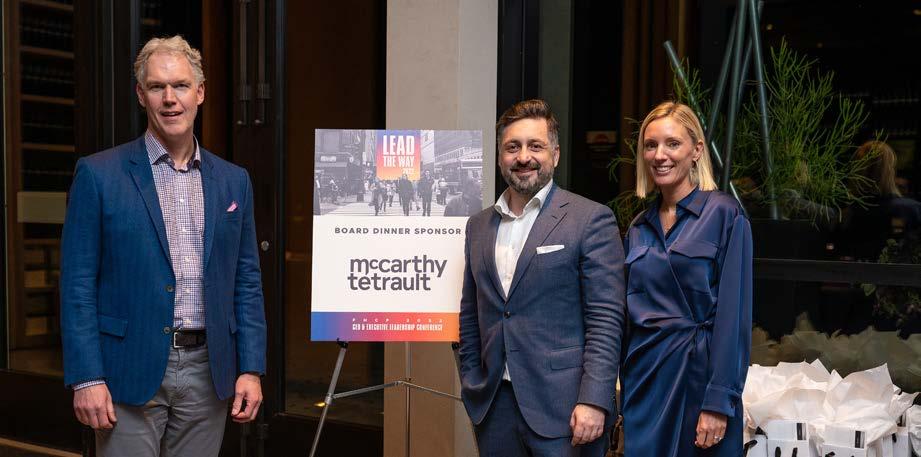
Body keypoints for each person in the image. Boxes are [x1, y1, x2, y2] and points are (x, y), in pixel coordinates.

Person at [60, 36, 266, 456]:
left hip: (209, 372)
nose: (170, 99)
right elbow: (77, 284)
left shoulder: (233, 181)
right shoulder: (99, 175)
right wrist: (86, 377)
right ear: (141, 95)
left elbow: (246, 281)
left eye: (181, 86)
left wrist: (251, 367)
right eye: (157, 87)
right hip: (126, 370)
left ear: (200, 93)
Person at [458, 99, 625, 456]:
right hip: (494, 408)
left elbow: (606, 319)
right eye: (512, 147)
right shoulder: (478, 226)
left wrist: (595, 399)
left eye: (535, 146)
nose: (523, 157)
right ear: (500, 156)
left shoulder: (589, 219)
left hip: (566, 411)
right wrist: (471, 378)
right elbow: (471, 315)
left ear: (556, 154)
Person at [621, 101, 752, 456]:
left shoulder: (725, 214)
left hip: (700, 381)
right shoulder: (638, 228)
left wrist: (719, 400)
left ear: (696, 150)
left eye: (672, 143)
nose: (659, 155)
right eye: (650, 145)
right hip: (645, 381)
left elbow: (734, 318)